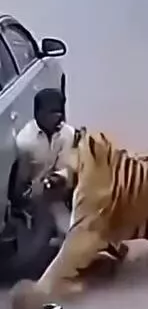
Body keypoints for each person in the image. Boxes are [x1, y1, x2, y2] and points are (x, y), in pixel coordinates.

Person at [15, 88, 126, 262]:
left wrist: (61, 177)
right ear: (38, 113)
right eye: (52, 113)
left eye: (60, 112)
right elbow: (22, 179)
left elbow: (68, 165)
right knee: (35, 251)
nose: (58, 117)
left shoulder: (68, 134)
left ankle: (102, 243)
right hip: (38, 197)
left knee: (76, 223)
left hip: (63, 189)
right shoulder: (25, 142)